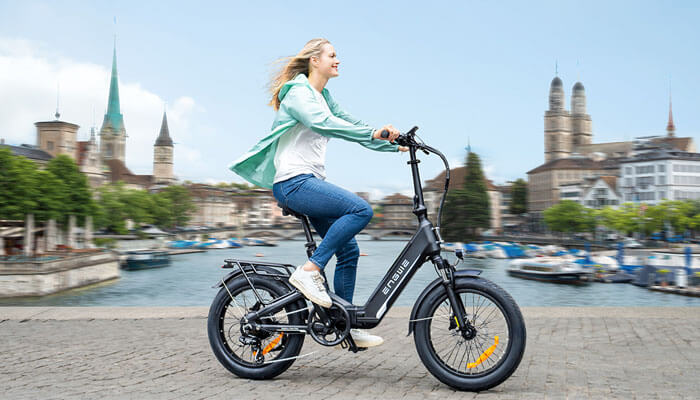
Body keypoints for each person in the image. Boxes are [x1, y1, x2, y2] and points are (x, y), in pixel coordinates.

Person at [231, 38, 406, 347]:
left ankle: (343, 322)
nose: (338, 60)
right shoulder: (299, 94)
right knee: (361, 210)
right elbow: (322, 123)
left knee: (350, 250)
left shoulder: (324, 96)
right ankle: (310, 271)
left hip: (308, 182)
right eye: (332, 55)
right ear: (315, 60)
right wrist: (372, 133)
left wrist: (391, 141)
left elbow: (351, 124)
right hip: (292, 183)